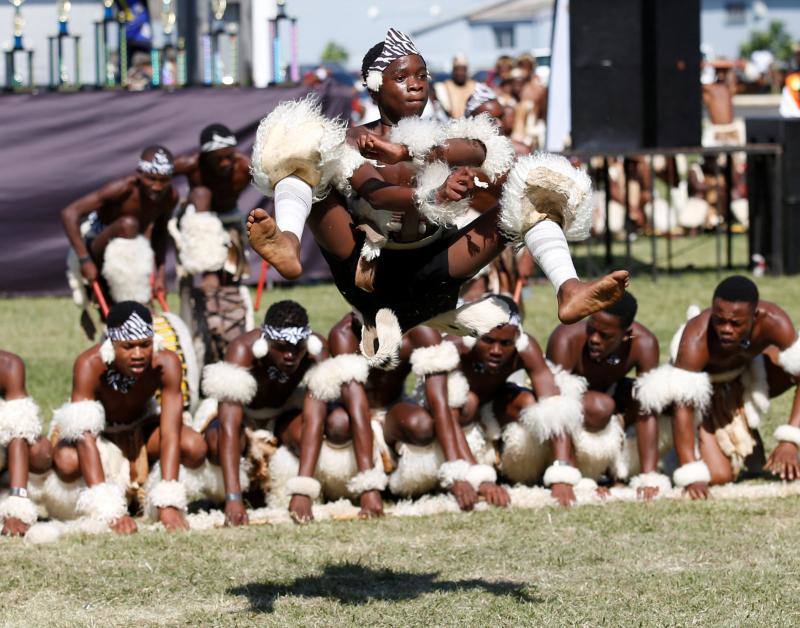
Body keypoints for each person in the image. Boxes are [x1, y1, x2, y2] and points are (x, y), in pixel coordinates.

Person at [247, 28, 628, 364]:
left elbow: (479, 152)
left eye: (422, 75)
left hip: (433, 272)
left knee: (533, 186)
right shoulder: (351, 141)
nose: (416, 84)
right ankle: (289, 243)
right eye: (402, 77)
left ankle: (569, 287)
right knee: (303, 147)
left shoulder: (448, 137)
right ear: (376, 85)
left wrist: (408, 152)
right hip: (368, 273)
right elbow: (376, 196)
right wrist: (431, 195)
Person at [48, 302, 207, 533]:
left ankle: (144, 491)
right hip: (97, 437)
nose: (138, 355)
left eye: (145, 345)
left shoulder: (166, 363)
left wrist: (168, 501)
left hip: (139, 430)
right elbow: (84, 436)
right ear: (111, 345)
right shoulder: (89, 365)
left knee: (193, 445)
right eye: (128, 346)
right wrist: (108, 509)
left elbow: (171, 432)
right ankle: (109, 498)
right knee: (66, 461)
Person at [327, 312, 508, 511]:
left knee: (421, 425)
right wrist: (368, 487)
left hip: (393, 412)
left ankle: (404, 475)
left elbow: (440, 405)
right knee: (338, 423)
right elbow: (357, 409)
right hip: (353, 414)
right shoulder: (343, 335)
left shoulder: (420, 330)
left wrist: (457, 473)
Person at [644, 276, 800, 499]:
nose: (726, 329)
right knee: (718, 475)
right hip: (704, 396)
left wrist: (790, 439)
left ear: (755, 316)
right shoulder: (697, 336)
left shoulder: (774, 321)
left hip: (744, 377)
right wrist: (690, 470)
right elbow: (683, 404)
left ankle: (745, 426)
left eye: (736, 323)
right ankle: (679, 453)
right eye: (720, 321)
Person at [198, 300, 328, 525]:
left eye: (297, 347)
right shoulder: (242, 350)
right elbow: (229, 426)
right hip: (243, 417)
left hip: (282, 413)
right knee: (216, 442)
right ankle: (237, 492)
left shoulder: (316, 353)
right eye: (281, 347)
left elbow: (315, 420)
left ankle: (288, 490)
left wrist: (303, 490)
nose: (290, 355)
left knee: (304, 434)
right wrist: (233, 498)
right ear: (265, 342)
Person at [448, 296, 583, 507]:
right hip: (456, 423)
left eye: (505, 343)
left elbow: (555, 407)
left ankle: (513, 468)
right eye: (488, 340)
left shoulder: (525, 349)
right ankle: (479, 465)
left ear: (517, 339)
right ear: (472, 336)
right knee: (468, 402)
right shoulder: (455, 349)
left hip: (494, 410)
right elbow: (443, 417)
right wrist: (477, 476)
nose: (496, 351)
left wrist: (562, 473)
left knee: (529, 402)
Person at [547, 292, 671, 500]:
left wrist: (649, 477)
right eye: (591, 329)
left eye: (605, 336)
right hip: (572, 408)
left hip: (612, 397)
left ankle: (619, 470)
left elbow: (646, 410)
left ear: (626, 334)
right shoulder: (566, 338)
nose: (594, 339)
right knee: (600, 406)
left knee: (653, 399)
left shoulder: (644, 343)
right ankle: (586, 471)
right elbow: (555, 407)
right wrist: (569, 477)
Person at [62, 146, 178, 322]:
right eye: (151, 179)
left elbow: (160, 233)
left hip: (133, 251)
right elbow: (69, 213)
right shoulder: (122, 188)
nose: (157, 186)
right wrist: (84, 260)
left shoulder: (170, 196)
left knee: (134, 230)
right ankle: (130, 302)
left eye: (163, 180)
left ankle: (138, 308)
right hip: (97, 246)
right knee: (128, 225)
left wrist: (160, 275)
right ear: (139, 174)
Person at [171, 124, 255, 363]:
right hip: (198, 222)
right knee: (201, 194)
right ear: (205, 157)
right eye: (218, 159)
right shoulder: (192, 165)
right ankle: (207, 290)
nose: (226, 164)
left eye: (229, 156)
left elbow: (274, 182)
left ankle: (229, 321)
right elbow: (152, 178)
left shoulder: (244, 165)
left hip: (229, 221)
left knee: (231, 279)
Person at [0, 351, 51, 536]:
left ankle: (14, 495)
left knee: (40, 451)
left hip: (5, 451)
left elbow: (18, 432)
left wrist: (17, 505)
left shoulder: (8, 365)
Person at [432, 54, 477, 119]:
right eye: (457, 69)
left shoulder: (475, 86)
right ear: (453, 70)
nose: (460, 73)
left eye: (463, 69)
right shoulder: (442, 87)